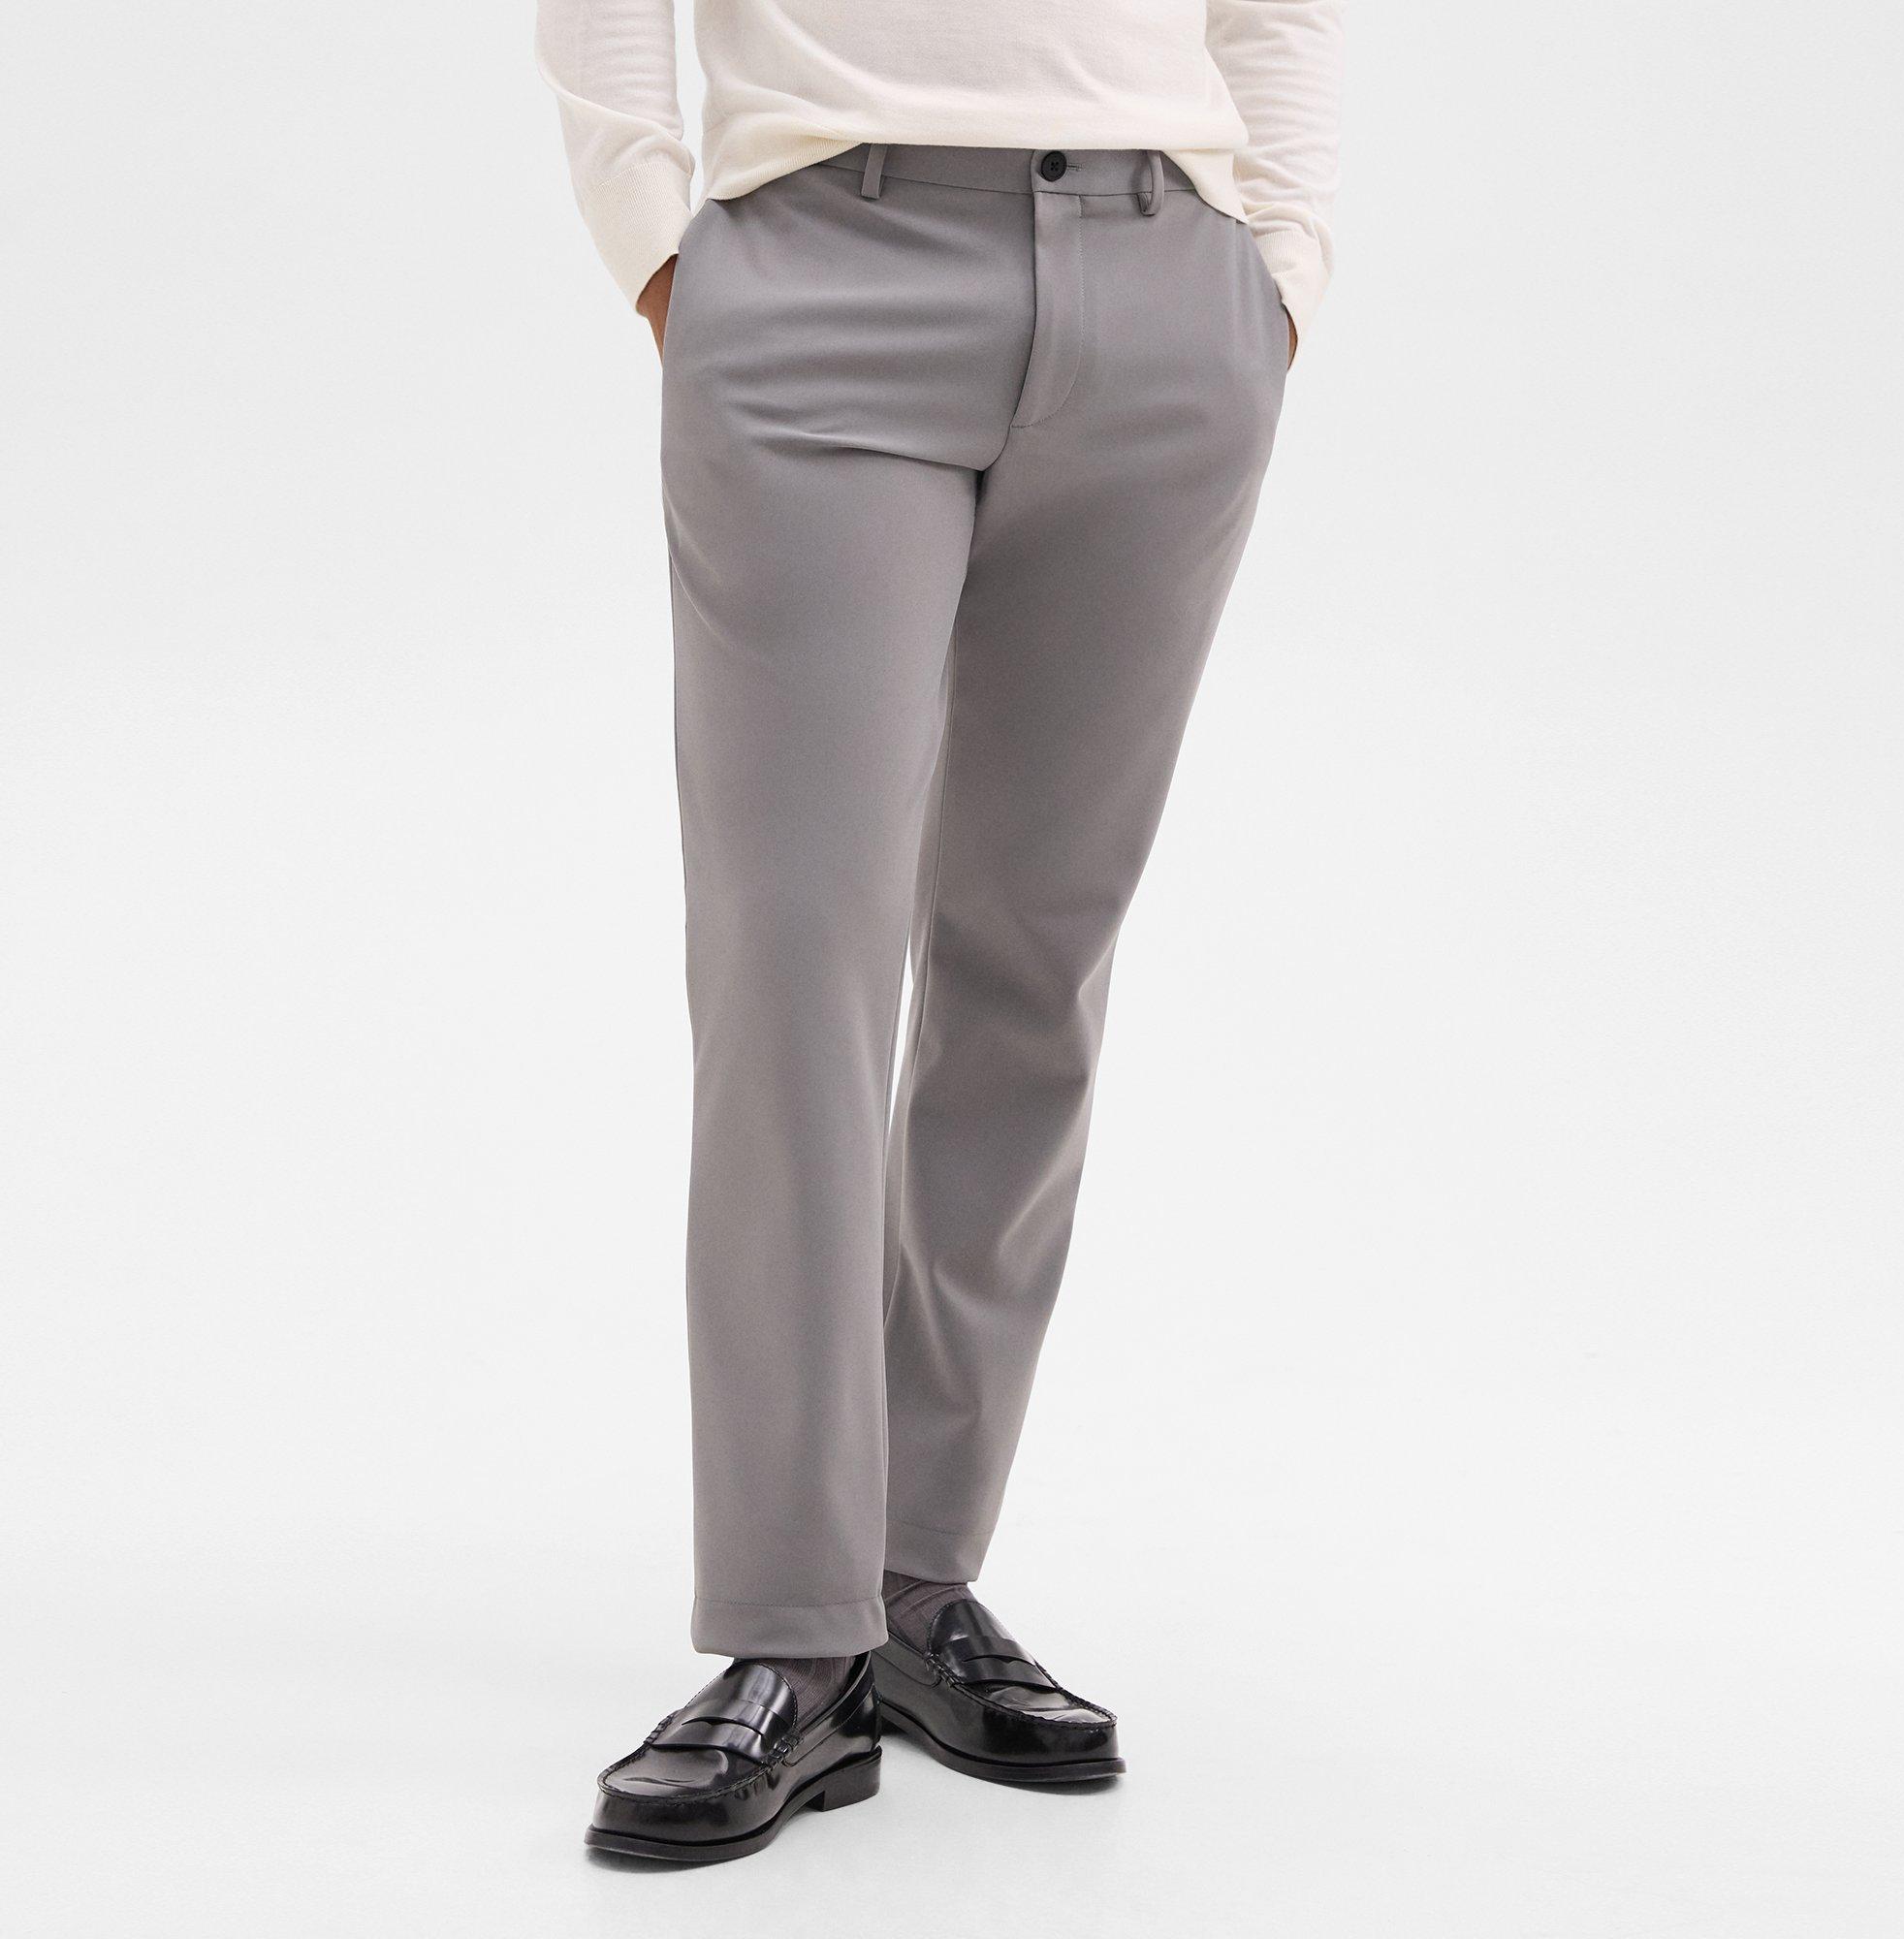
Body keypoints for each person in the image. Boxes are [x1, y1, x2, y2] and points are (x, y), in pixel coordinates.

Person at [537, 0, 1344, 1863]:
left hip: (1169, 287)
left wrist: (1280, 270)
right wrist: (662, 249)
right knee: (795, 966)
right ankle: (789, 1626)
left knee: (1031, 962)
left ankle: (911, 1582)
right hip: (822, 268)